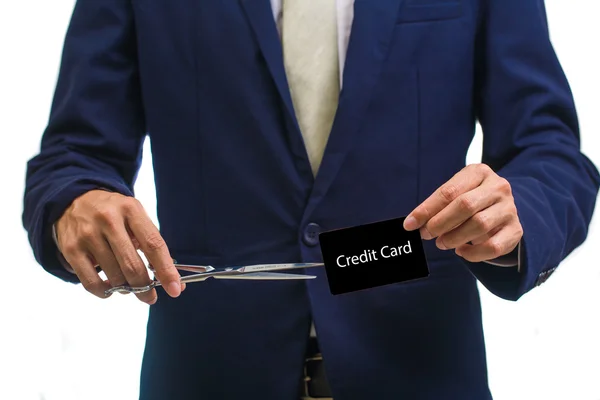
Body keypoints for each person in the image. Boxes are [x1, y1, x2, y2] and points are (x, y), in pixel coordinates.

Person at [23, 0, 599, 399]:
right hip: (209, 376)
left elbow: (549, 151)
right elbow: (72, 156)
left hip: (421, 372)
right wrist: (76, 200)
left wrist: (519, 207)